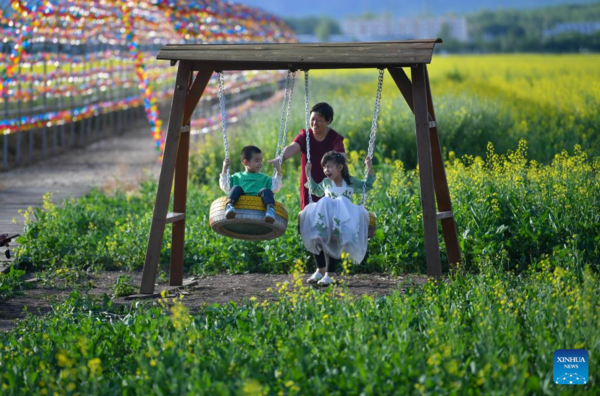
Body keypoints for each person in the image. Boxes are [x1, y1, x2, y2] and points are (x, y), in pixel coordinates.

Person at [268, 102, 346, 274]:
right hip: (310, 189)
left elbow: (341, 155)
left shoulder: (334, 137)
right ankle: (320, 268)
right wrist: (281, 158)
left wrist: (338, 162)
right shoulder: (306, 136)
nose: (315, 123)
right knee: (310, 225)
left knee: (332, 228)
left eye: (319, 120)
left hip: (330, 189)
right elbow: (293, 147)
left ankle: (331, 272)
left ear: (328, 121)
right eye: (312, 119)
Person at [299, 151, 375, 286]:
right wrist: (308, 174)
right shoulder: (326, 182)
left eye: (329, 167)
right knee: (318, 235)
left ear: (340, 167)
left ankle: (331, 273)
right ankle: (320, 269)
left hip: (344, 218)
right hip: (327, 218)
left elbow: (366, 186)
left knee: (336, 234)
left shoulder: (350, 182)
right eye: (324, 167)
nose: (325, 170)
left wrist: (369, 169)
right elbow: (315, 190)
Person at [220, 145, 282, 223]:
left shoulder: (265, 178)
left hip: (259, 203)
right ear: (246, 162)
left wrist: (278, 171)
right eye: (257, 161)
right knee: (236, 188)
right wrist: (224, 169)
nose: (260, 163)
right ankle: (229, 206)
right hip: (240, 203)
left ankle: (270, 210)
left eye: (261, 160)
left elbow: (276, 188)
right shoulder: (237, 177)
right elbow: (225, 186)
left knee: (266, 191)